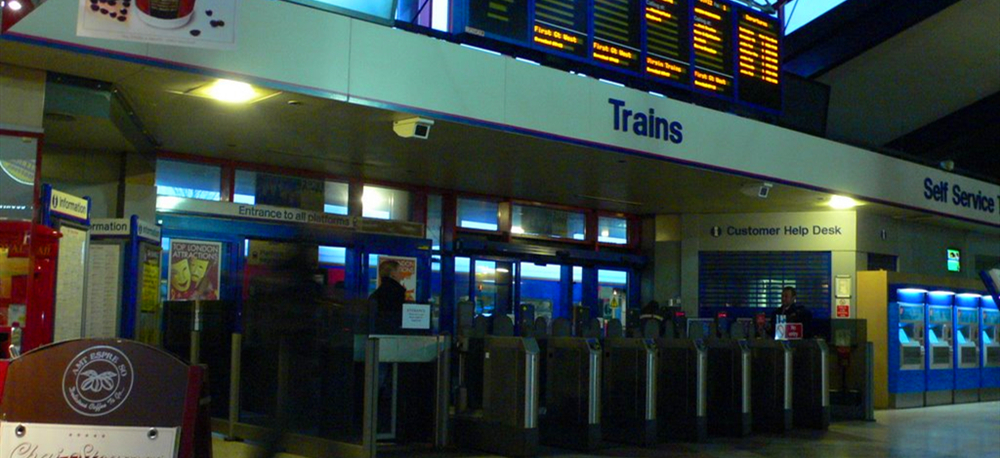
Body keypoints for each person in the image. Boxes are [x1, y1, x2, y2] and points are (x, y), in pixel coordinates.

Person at [368, 260, 407, 334]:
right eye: (399, 272)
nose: (401, 275)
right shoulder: (397, 292)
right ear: (393, 274)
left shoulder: (377, 293)